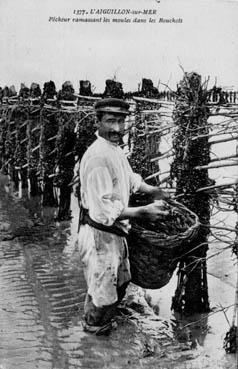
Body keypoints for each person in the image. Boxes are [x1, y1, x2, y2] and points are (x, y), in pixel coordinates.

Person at [78, 98, 169, 334]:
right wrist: (141, 212)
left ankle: (104, 331)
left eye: (120, 121)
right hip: (100, 234)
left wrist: (151, 190)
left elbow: (128, 178)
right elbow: (102, 211)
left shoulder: (114, 150)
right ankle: (92, 341)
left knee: (118, 284)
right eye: (110, 121)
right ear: (97, 122)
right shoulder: (98, 156)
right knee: (102, 294)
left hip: (116, 233)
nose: (117, 128)